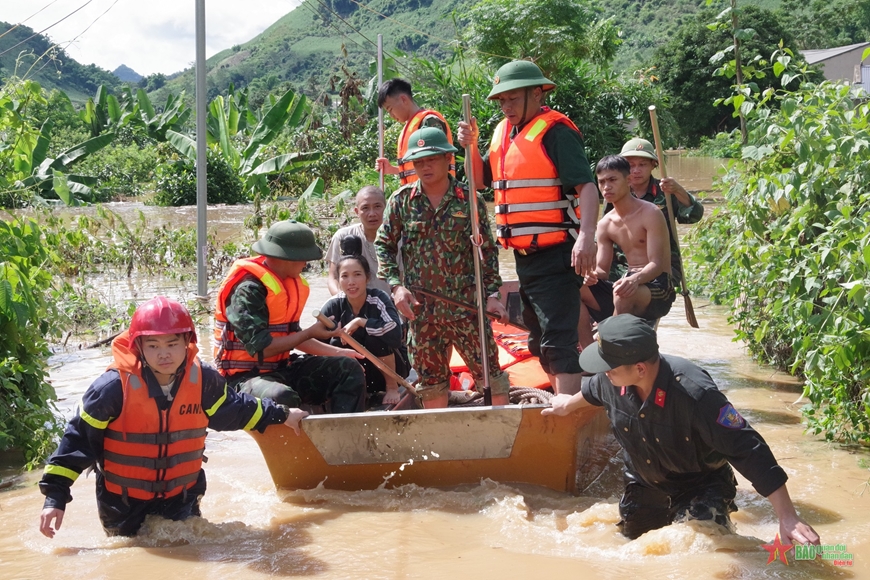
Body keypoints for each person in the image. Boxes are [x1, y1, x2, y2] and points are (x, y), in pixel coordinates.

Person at [38, 297, 309, 538]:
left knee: (190, 550)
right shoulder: (111, 388)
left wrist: (283, 414)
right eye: (153, 345)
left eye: (171, 343)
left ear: (187, 342)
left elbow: (237, 410)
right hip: (123, 504)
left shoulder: (203, 381)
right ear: (139, 347)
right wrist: (55, 498)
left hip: (182, 496)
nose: (164, 353)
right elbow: (77, 443)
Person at [543, 314, 821, 545]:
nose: (603, 373)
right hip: (644, 483)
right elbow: (591, 391)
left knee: (703, 550)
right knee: (634, 550)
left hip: (700, 485)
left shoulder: (694, 394)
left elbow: (747, 448)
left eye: (609, 368)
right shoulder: (612, 379)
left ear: (639, 368)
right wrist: (566, 405)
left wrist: (788, 516)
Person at [457, 60, 599, 395]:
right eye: (501, 101)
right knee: (537, 339)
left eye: (511, 98)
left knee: (557, 340)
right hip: (525, 257)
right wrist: (471, 147)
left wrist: (587, 239)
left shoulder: (557, 133)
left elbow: (588, 187)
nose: (505, 106)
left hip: (558, 253)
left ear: (536, 93)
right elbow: (479, 181)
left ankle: (565, 409)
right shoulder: (502, 134)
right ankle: (559, 400)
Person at [376, 127, 511, 408]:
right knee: (431, 382)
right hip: (422, 313)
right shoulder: (401, 201)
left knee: (491, 377)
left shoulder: (468, 199)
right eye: (419, 161)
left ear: (448, 160)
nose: (425, 166)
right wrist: (396, 286)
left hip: (467, 309)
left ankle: (501, 435)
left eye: (432, 159)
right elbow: (384, 247)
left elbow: (487, 252)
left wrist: (492, 296)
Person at [213, 220, 367, 414]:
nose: (305, 264)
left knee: (348, 369)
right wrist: (311, 332)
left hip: (282, 368)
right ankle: (293, 441)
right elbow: (262, 349)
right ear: (287, 257)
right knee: (281, 397)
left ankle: (343, 436)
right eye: (303, 258)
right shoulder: (248, 290)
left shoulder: (289, 283)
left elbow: (291, 336)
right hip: (244, 379)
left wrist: (338, 353)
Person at [582, 155, 675, 323]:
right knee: (574, 288)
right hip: (629, 282)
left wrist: (634, 279)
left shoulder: (651, 213)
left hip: (658, 286)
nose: (606, 187)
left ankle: (607, 337)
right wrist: (592, 275)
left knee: (622, 293)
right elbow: (602, 271)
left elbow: (657, 264)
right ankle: (587, 347)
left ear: (629, 179)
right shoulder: (605, 223)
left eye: (612, 180)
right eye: (601, 182)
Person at [610, 137, 704, 284]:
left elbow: (693, 216)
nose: (636, 170)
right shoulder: (615, 191)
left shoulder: (666, 192)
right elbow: (605, 232)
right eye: (631, 165)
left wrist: (678, 190)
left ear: (654, 165)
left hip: (663, 265)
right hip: (622, 266)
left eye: (642, 165)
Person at [320, 245, 404, 406]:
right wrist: (333, 336)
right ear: (338, 280)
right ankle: (354, 390)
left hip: (389, 369)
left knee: (376, 338)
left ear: (367, 277)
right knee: (335, 343)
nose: (351, 282)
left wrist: (362, 322)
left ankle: (392, 387)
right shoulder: (333, 305)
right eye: (345, 276)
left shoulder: (379, 298)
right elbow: (316, 343)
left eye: (357, 275)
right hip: (352, 371)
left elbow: (395, 335)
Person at [375, 78, 456, 186]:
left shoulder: (429, 121)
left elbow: (435, 166)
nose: (391, 116)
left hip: (437, 197)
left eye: (390, 109)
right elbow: (417, 171)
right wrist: (392, 169)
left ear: (403, 99)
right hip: (416, 197)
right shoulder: (409, 127)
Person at [325, 185, 391, 295]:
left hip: (388, 306)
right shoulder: (343, 237)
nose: (372, 214)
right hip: (352, 304)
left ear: (387, 208)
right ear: (357, 211)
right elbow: (333, 278)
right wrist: (342, 301)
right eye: (365, 208)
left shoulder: (398, 238)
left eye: (377, 206)